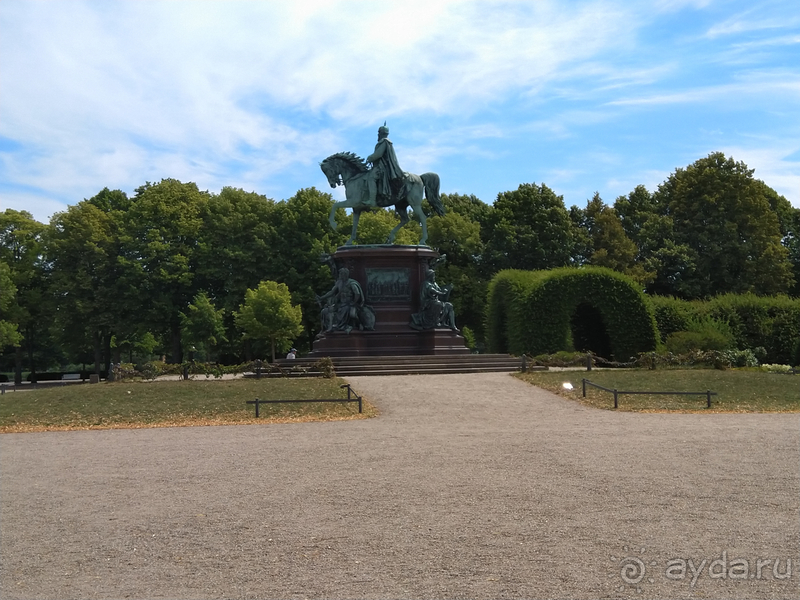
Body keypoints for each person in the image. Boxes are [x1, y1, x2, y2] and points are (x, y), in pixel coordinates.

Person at [316, 268, 373, 334]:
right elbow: (332, 292)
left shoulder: (351, 283)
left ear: (345, 274)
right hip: (341, 304)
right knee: (326, 310)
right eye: (340, 274)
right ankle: (330, 327)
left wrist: (354, 302)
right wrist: (321, 298)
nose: (339, 275)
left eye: (341, 274)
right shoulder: (339, 282)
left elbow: (357, 293)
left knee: (349, 312)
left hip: (349, 304)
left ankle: (359, 323)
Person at [365, 122, 404, 207]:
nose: (378, 135)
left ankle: (372, 200)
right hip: (382, 166)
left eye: (379, 133)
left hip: (382, 167)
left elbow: (378, 154)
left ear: (382, 133)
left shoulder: (384, 141)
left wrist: (370, 158)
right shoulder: (386, 142)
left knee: (371, 177)